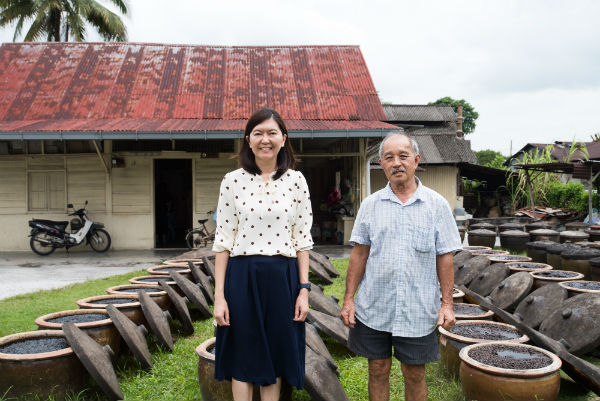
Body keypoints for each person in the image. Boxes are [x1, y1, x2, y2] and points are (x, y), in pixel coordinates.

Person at [340, 133, 461, 401]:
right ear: (381, 163)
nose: (397, 163)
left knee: (414, 372)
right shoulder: (370, 205)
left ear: (416, 160)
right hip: (375, 306)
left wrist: (447, 304)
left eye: (403, 156)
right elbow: (360, 254)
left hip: (418, 308)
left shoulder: (437, 205)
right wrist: (349, 300)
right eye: (389, 157)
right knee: (377, 368)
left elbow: (445, 257)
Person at [212, 108, 313, 401]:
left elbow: (302, 239)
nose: (265, 139)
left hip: (284, 278)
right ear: (248, 139)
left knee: (276, 353)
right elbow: (223, 242)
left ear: (283, 139)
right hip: (241, 278)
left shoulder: (296, 181)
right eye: (258, 133)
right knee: (243, 355)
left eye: (272, 133)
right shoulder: (232, 181)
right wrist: (219, 296)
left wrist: (303, 290)